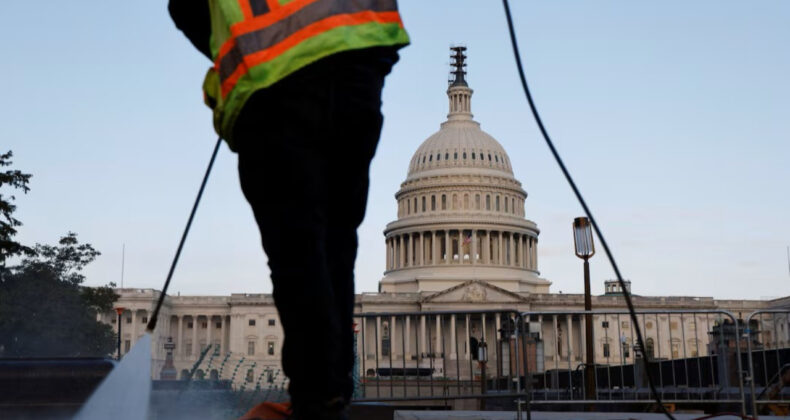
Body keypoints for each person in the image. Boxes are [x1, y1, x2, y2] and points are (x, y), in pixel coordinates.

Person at [168, 1, 409, 419]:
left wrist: (236, 50)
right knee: (336, 243)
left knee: (298, 250)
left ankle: (316, 401)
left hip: (273, 84)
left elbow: (184, 7)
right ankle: (330, 393)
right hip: (357, 59)